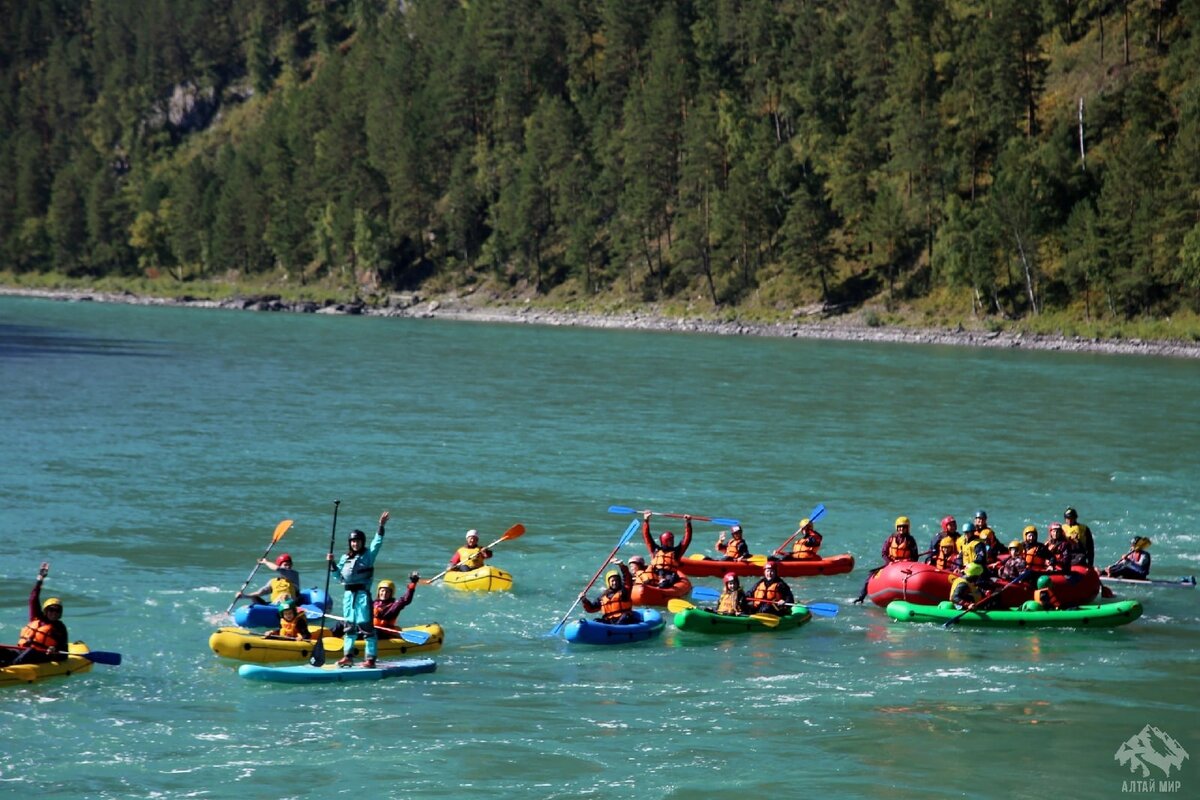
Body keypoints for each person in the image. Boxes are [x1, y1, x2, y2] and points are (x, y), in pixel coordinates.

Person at [327, 510, 389, 668]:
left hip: (362, 596)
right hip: (348, 596)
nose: (355, 543)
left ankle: (370, 659)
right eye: (353, 541)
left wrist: (381, 526)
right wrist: (332, 563)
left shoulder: (368, 555)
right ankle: (348, 657)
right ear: (350, 543)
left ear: (362, 542)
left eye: (358, 541)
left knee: (366, 627)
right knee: (349, 627)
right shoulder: (344, 558)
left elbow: (378, 543)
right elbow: (337, 576)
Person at [0, 562, 69, 667]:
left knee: (31, 651)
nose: (54, 613)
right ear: (46, 610)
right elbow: (33, 598)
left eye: (57, 611)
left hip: (40, 655)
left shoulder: (59, 628)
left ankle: (7, 667)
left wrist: (54, 650)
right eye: (51, 610)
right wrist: (40, 579)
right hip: (21, 651)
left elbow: (64, 653)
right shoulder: (36, 617)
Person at [641, 511, 693, 586]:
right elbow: (646, 536)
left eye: (672, 540)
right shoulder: (655, 549)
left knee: (664, 584)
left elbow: (687, 539)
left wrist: (688, 523)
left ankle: (662, 585)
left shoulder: (676, 551)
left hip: (669, 575)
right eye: (669, 541)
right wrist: (646, 520)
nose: (671, 542)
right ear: (663, 541)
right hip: (656, 574)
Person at [580, 560, 637, 625]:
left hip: (624, 620)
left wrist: (622, 566)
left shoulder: (624, 591)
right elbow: (591, 609)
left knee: (625, 617)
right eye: (612, 581)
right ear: (608, 582)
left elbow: (628, 580)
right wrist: (584, 600)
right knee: (596, 621)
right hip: (609, 622)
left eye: (616, 580)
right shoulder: (602, 597)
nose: (615, 583)